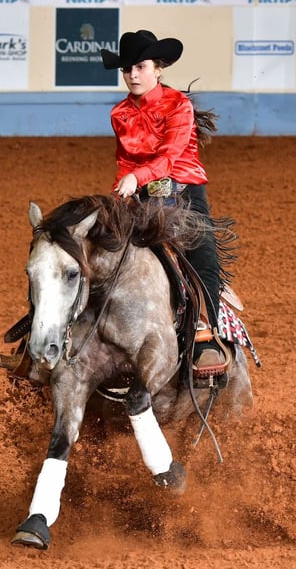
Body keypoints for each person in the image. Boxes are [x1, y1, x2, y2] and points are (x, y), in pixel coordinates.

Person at [100, 29, 226, 374]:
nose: (133, 75)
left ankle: (205, 332)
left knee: (202, 254)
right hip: (141, 197)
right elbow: (125, 162)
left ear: (158, 69)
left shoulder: (178, 105)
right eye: (127, 69)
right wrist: (120, 195)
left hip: (184, 193)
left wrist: (136, 178)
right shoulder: (120, 113)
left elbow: (169, 157)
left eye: (140, 67)